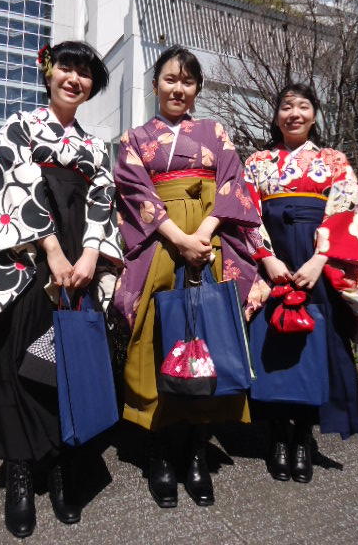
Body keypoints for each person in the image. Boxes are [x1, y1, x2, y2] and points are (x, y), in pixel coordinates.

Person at [0, 41, 123, 538]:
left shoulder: (95, 146)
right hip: (28, 258)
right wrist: (51, 251)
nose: (74, 78)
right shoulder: (19, 126)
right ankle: (19, 473)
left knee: (65, 360)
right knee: (16, 361)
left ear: (92, 86)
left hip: (79, 262)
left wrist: (90, 255)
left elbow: (104, 202)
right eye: (66, 67)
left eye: (85, 73)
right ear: (49, 72)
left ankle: (59, 466)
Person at [113, 45, 265, 508]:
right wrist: (179, 238)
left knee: (208, 340)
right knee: (158, 338)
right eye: (170, 79)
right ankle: (160, 453)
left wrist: (204, 231)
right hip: (161, 243)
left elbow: (233, 184)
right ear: (155, 84)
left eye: (188, 81)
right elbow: (133, 190)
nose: (178, 88)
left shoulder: (214, 132)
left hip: (208, 240)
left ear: (197, 88)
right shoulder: (135, 138)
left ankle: (197, 452)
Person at [244, 83, 358, 484]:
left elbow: (347, 211)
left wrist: (320, 260)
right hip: (272, 263)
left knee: (315, 346)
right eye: (286, 107)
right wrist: (266, 258)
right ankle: (276, 435)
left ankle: (303, 436)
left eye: (303, 106)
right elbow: (246, 213)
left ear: (315, 114)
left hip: (318, 263)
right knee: (271, 345)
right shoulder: (257, 161)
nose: (294, 114)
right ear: (276, 116)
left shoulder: (333, 160)